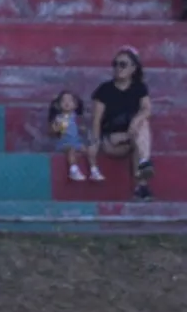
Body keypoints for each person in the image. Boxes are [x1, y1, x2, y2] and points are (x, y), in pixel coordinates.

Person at [88, 46, 155, 202]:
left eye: (123, 64)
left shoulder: (139, 88)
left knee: (142, 126)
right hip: (111, 140)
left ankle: (141, 184)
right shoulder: (104, 90)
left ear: (133, 68)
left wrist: (135, 121)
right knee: (140, 139)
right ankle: (143, 178)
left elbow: (147, 110)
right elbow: (96, 120)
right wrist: (95, 143)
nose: (118, 68)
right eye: (115, 64)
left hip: (131, 137)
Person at [48, 89, 103, 182]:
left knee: (89, 150)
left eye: (70, 101)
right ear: (58, 105)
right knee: (71, 150)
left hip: (76, 142)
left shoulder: (76, 117)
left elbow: (83, 129)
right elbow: (53, 131)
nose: (67, 103)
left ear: (75, 104)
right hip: (64, 143)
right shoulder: (59, 118)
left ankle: (94, 170)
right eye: (63, 101)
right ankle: (73, 170)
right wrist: (58, 128)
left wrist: (83, 130)